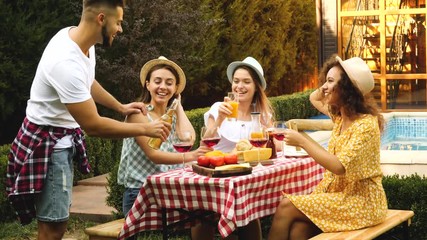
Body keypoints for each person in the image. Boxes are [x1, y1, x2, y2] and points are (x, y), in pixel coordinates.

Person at [6, 1, 171, 240]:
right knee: (53, 228)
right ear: (101, 19)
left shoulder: (80, 43)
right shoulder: (64, 61)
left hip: (58, 139)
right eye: (119, 22)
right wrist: (146, 128)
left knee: (55, 224)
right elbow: (93, 126)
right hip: (47, 144)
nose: (121, 29)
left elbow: (87, 82)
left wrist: (119, 106)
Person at [268, 55, 388, 240]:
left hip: (362, 203)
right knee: (298, 231)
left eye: (330, 81)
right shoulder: (341, 118)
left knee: (286, 206)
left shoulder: (365, 125)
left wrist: (302, 141)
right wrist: (330, 83)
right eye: (325, 81)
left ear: (347, 89)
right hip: (340, 197)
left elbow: (339, 167)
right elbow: (313, 98)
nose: (323, 87)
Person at [117, 57, 211, 239]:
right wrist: (192, 156)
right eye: (157, 81)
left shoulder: (172, 115)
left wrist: (178, 106)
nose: (163, 87)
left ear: (176, 89)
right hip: (141, 192)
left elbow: (189, 138)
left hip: (169, 189)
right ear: (147, 85)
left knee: (205, 214)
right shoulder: (139, 114)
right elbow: (154, 155)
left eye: (169, 83)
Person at [192, 56, 275, 240]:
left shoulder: (262, 115)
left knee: (249, 211)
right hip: (215, 180)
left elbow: (274, 149)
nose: (239, 86)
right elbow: (204, 146)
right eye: (236, 81)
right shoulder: (218, 108)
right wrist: (220, 118)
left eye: (246, 82)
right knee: (203, 216)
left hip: (244, 181)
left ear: (256, 87)